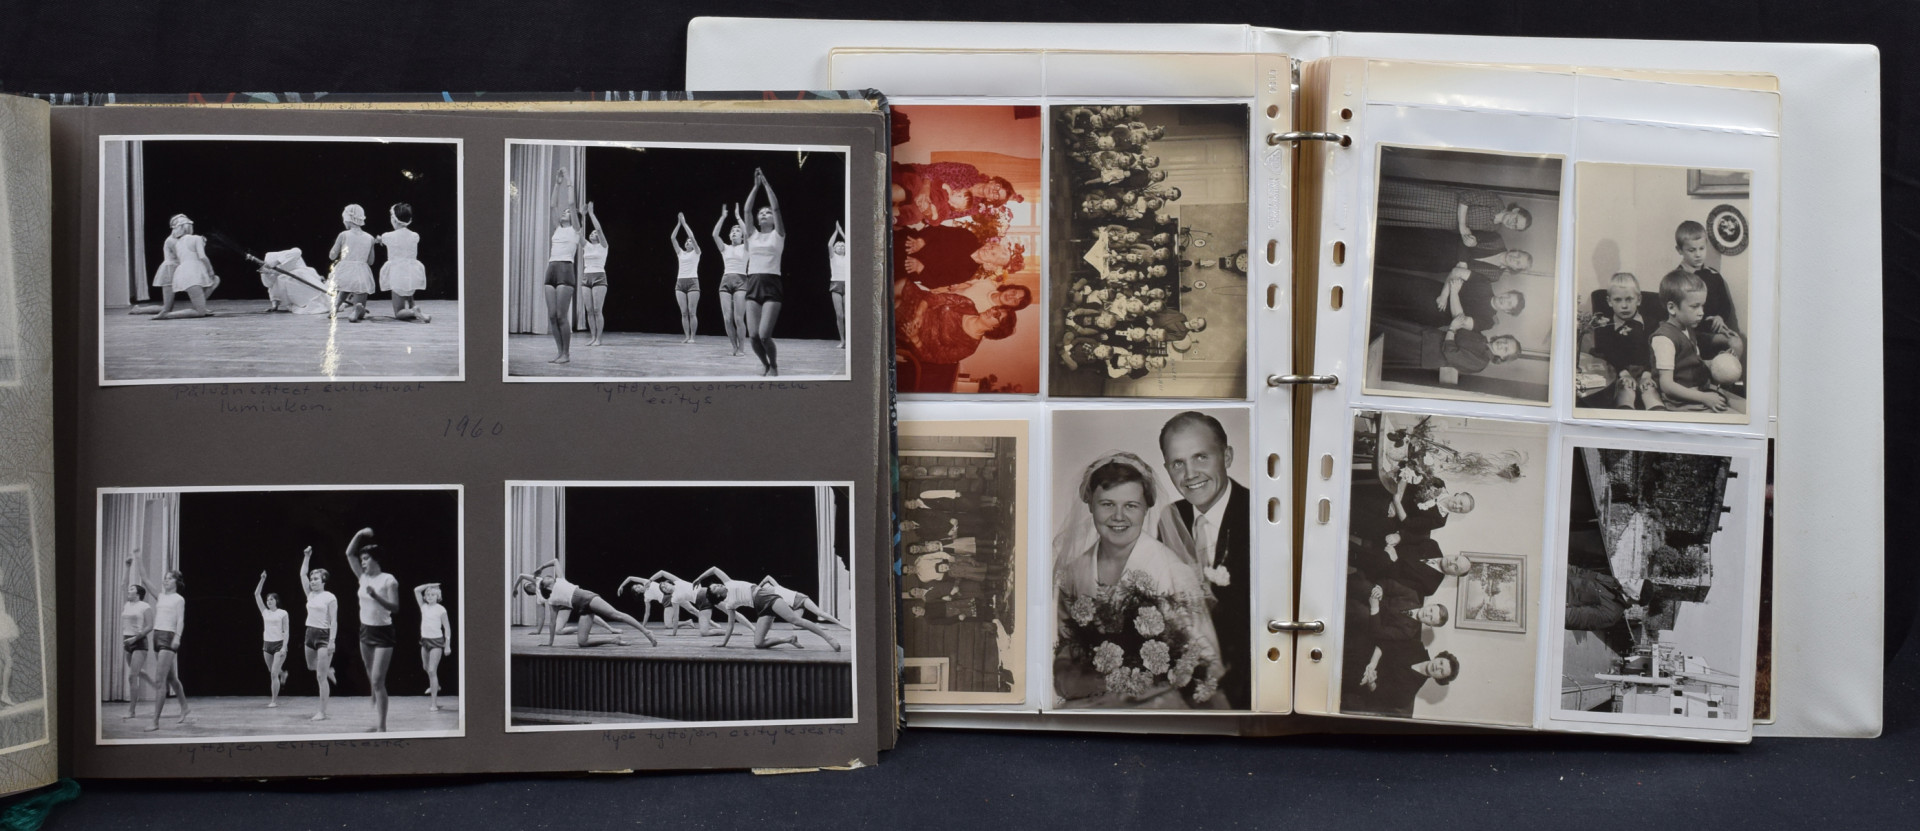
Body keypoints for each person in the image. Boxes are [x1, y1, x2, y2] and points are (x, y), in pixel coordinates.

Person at [1054, 452, 1222, 709]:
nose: (1118, 516)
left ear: (1146, 508)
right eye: (1107, 504)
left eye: (1131, 506)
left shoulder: (1172, 571)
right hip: (1092, 699)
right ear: (1090, 505)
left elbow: (1207, 660)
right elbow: (1066, 657)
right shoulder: (1073, 573)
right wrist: (1092, 681)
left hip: (1158, 703)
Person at [1154, 411, 1250, 709]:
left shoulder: (1259, 513)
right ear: (1167, 468)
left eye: (1201, 458)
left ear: (1227, 456)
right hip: (1193, 680)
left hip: (1249, 682)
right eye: (1178, 463)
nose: (1190, 474)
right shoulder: (1170, 517)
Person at [1651, 270, 1735, 412]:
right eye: (1695, 306)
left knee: (1745, 407)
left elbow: (1691, 362)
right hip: (1679, 401)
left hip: (1699, 390)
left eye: (1702, 305)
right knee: (1732, 418)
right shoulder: (1664, 339)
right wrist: (1704, 397)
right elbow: (1667, 385)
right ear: (1672, 308)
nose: (1701, 312)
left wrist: (1717, 362)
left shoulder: (1688, 328)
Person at [528, 558, 658, 648]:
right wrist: (550, 643)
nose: (548, 577)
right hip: (582, 609)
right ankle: (614, 640)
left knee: (616, 614)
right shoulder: (552, 601)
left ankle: (646, 632)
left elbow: (555, 561)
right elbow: (552, 623)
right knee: (582, 642)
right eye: (546, 578)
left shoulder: (560, 580)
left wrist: (541, 567)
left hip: (586, 597)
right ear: (546, 586)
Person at [343, 528, 399, 732]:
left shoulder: (389, 580)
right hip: (366, 630)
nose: (363, 562)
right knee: (369, 671)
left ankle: (382, 727)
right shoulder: (363, 578)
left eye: (366, 559)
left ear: (375, 559)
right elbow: (349, 553)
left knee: (377, 680)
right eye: (362, 559)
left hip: (383, 633)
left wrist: (376, 596)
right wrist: (359, 534)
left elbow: (395, 607)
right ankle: (375, 692)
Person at [893, 276, 1018, 366]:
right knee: (903, 283)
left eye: (997, 315)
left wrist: (914, 338)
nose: (992, 311)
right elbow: (935, 298)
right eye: (996, 309)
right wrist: (919, 313)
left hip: (914, 331)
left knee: (897, 307)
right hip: (921, 305)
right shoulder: (968, 305)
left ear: (995, 328)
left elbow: (931, 357)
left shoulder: (967, 347)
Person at [1580, 272, 1657, 409]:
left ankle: (1656, 410)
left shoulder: (1651, 324)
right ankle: (1625, 409)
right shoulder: (1605, 326)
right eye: (1618, 300)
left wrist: (1647, 374)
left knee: (1650, 390)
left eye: (1629, 299)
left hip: (1647, 371)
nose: (1624, 306)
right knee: (1625, 389)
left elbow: (1655, 353)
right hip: (1618, 371)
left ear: (1639, 299)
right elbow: (1607, 355)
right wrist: (1624, 373)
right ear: (1609, 301)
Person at [1664, 220, 1742, 348]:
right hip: (1689, 333)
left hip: (1712, 331)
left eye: (1702, 248)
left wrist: (1720, 317)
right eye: (1692, 250)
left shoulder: (1714, 275)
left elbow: (1725, 305)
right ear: (1680, 250)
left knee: (1736, 342)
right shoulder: (1676, 279)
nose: (1698, 254)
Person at [741, 168, 788, 376]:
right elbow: (746, 211)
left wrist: (766, 185)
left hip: (772, 284)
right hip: (753, 283)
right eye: (761, 213)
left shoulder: (778, 235)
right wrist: (755, 187)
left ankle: (774, 365)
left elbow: (776, 208)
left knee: (764, 335)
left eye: (767, 213)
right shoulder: (751, 235)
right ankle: (765, 364)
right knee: (752, 336)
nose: (764, 214)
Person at [1375, 179, 1530, 239]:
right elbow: (1466, 198)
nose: (1512, 224)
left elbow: (1464, 231)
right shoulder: (1496, 202)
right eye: (1516, 220)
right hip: (1444, 203)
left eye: (1515, 227)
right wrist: (1462, 226)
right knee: (1405, 198)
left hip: (1443, 222)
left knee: (1405, 215)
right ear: (1515, 211)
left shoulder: (1494, 228)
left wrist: (1468, 239)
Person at [1373, 315, 1521, 376]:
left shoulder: (1481, 363)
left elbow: (1451, 352)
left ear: (1502, 358)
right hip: (1426, 335)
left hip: (1424, 351)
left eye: (1506, 349)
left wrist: (1452, 329)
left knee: (1384, 342)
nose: (1502, 344)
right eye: (1506, 341)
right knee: (1385, 327)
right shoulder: (1481, 337)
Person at [1346, 641, 1458, 718]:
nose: (1437, 667)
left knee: (1354, 677)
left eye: (1441, 672)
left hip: (1362, 678)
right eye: (1441, 663)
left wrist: (1371, 682)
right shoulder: (1416, 646)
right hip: (1369, 653)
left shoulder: (1407, 695)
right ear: (1438, 657)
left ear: (1439, 679)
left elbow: (1378, 695)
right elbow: (1385, 642)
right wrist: (1372, 664)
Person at [141, 568, 188, 731]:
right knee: (172, 678)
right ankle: (185, 708)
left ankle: (155, 721)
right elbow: (145, 579)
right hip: (157, 635)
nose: (166, 580)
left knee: (160, 680)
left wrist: (177, 637)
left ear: (177, 582)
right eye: (165, 578)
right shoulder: (160, 596)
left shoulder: (179, 599)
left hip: (169, 637)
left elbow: (180, 620)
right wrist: (138, 558)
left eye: (170, 578)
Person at [746, 576, 845, 651]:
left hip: (799, 598)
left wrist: (759, 585)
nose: (765, 588)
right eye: (764, 588)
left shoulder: (776, 587)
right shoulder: (767, 594)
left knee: (813, 615)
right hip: (791, 605)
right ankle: (790, 639)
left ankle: (829, 636)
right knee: (796, 624)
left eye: (766, 587)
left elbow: (768, 577)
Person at [298, 546, 338, 721]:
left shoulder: (330, 597)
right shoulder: (310, 595)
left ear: (323, 581)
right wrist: (307, 557)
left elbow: (334, 621)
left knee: (320, 677)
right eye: (312, 579)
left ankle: (322, 712)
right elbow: (302, 574)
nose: (312, 581)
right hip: (309, 633)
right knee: (310, 666)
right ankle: (329, 669)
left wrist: (332, 641)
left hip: (324, 636)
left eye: (316, 579)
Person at [154, 214, 220, 319]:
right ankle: (168, 314)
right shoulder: (191, 239)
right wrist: (210, 270)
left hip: (181, 271)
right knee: (169, 307)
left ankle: (199, 306)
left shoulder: (179, 242)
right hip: (186, 271)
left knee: (214, 281)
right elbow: (202, 256)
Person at [376, 203, 431, 322]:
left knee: (399, 312)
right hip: (412, 274)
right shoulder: (415, 236)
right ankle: (412, 307)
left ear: (393, 219)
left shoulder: (388, 236)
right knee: (408, 290)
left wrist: (378, 239)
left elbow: (381, 239)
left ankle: (413, 311)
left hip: (397, 274)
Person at [543, 204, 583, 364]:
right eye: (564, 211)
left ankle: (566, 353)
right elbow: (552, 205)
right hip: (551, 269)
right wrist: (556, 188)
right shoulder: (558, 229)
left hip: (565, 269)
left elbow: (572, 205)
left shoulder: (575, 230)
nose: (564, 213)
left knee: (561, 316)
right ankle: (559, 352)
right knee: (552, 316)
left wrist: (569, 186)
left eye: (568, 212)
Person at [712, 204, 751, 356]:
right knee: (727, 319)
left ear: (741, 237)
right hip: (725, 281)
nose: (735, 232)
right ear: (729, 236)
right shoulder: (725, 248)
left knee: (738, 318)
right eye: (732, 231)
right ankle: (734, 347)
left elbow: (748, 233)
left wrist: (738, 218)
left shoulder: (746, 247)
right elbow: (715, 235)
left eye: (737, 231)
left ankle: (741, 348)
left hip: (741, 281)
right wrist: (722, 217)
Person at [689, 567, 763, 647]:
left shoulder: (728, 584)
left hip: (706, 595)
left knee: (732, 613)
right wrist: (724, 643)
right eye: (716, 586)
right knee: (730, 613)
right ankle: (747, 630)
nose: (719, 584)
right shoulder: (730, 602)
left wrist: (699, 578)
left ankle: (753, 628)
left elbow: (714, 569)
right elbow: (730, 624)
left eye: (716, 585)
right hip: (760, 601)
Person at [118, 558, 155, 719]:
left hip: (139, 642)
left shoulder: (144, 606)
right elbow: (123, 585)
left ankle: (131, 711)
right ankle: (155, 683)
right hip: (127, 641)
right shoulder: (127, 604)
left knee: (132, 676)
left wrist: (134, 639)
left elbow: (149, 626)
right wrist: (127, 567)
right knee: (137, 672)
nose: (129, 590)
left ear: (138, 593)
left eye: (132, 589)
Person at [328, 204, 377, 323]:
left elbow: (332, 255)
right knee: (359, 294)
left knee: (344, 287)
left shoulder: (343, 235)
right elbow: (371, 261)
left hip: (345, 271)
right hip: (361, 274)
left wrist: (336, 252)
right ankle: (357, 310)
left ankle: (335, 308)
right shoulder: (370, 238)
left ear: (348, 219)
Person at [128, 215, 183, 314]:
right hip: (169, 271)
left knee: (167, 307)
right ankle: (139, 310)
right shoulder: (171, 240)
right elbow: (181, 255)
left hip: (177, 270)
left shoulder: (179, 240)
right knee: (167, 308)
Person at [621, 571, 704, 636]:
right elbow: (647, 613)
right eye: (636, 588)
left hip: (672, 594)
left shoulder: (646, 582)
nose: (637, 586)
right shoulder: (646, 598)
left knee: (692, 609)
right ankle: (688, 622)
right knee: (668, 625)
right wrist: (642, 627)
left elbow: (630, 578)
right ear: (637, 592)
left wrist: (621, 586)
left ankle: (709, 622)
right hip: (667, 601)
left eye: (637, 585)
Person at [252, 571, 291, 708]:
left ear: (276, 601)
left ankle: (274, 700)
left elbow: (286, 631)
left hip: (279, 645)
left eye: (271, 599)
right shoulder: (265, 612)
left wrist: (284, 646)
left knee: (273, 673)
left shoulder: (283, 613)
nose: (269, 601)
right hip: (267, 645)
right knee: (272, 670)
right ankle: (283, 674)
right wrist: (262, 579)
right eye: (267, 600)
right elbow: (256, 594)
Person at [253, 248, 331, 315]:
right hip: (292, 284)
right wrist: (275, 306)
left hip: (303, 276)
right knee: (283, 279)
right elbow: (272, 286)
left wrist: (275, 262)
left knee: (296, 275)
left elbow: (297, 251)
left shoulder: (273, 257)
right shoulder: (268, 274)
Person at [414, 583, 452, 712]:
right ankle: (436, 685)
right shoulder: (423, 607)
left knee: (431, 670)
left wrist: (447, 645)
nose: (430, 596)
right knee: (426, 667)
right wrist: (431, 585)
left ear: (437, 596)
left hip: (437, 642)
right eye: (428, 595)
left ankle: (434, 704)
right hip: (425, 640)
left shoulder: (441, 609)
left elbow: (447, 628)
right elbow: (416, 590)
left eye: (433, 594)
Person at [578, 202, 609, 346]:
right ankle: (592, 337)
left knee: (597, 310)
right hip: (586, 277)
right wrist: (582, 215)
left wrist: (591, 214)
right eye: (591, 233)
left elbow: (599, 229)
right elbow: (577, 232)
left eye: (594, 233)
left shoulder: (603, 246)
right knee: (589, 310)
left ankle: (599, 338)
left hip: (599, 277)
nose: (593, 233)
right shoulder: (587, 245)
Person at [669, 211, 702, 344]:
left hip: (693, 282)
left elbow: (692, 236)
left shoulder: (697, 252)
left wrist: (684, 223)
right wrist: (678, 224)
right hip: (680, 282)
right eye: (687, 241)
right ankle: (687, 336)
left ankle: (693, 336)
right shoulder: (680, 253)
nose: (689, 242)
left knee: (692, 312)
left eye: (690, 242)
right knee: (683, 312)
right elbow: (672, 238)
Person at [828, 221, 850, 348]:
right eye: (839, 246)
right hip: (836, 284)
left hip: (847, 284)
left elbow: (850, 243)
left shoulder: (848, 257)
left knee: (847, 315)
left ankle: (849, 339)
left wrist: (842, 232)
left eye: (843, 245)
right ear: (835, 249)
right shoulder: (833, 257)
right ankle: (842, 340)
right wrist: (836, 232)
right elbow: (829, 244)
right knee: (839, 315)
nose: (841, 247)